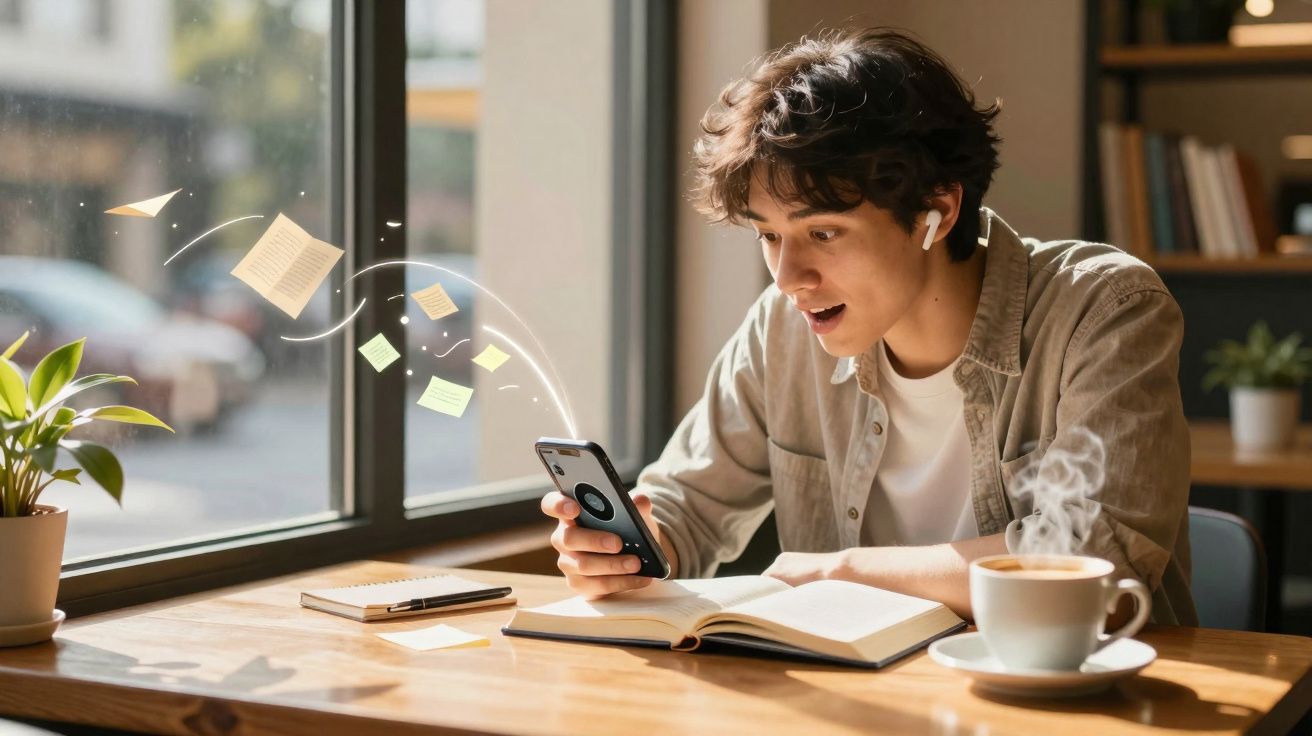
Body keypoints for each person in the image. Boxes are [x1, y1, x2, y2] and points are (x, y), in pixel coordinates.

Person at [540, 27, 1197, 625]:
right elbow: (684, 509)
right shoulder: (783, 330)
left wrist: (842, 573)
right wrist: (626, 548)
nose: (788, 276)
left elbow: (1100, 562)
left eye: (822, 232)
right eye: (770, 235)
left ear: (935, 212)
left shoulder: (1104, 310)